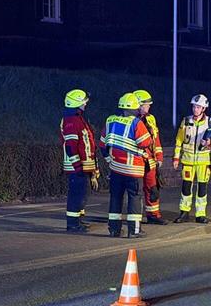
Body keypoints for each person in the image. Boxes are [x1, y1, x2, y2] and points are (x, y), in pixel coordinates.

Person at [99, 93, 152, 238]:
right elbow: (145, 142)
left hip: (116, 168)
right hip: (133, 170)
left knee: (115, 197)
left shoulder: (110, 120)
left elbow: (102, 144)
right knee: (134, 198)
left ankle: (114, 229)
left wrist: (109, 159)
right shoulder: (136, 123)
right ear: (135, 108)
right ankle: (134, 231)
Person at [172, 94, 211, 224]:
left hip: (204, 161)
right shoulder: (186, 120)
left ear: (204, 108)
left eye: (198, 107)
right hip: (187, 160)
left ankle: (200, 214)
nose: (195, 109)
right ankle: (184, 212)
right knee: (186, 187)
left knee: (202, 188)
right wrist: (176, 158)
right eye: (194, 106)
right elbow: (179, 140)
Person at [60, 89, 99, 233]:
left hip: (83, 165)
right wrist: (77, 166)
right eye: (84, 101)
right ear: (77, 103)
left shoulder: (78, 118)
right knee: (76, 195)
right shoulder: (71, 120)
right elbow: (71, 146)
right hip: (76, 166)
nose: (86, 103)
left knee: (82, 193)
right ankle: (73, 224)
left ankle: (79, 220)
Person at [134, 89, 167, 225]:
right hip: (135, 159)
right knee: (133, 190)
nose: (149, 107)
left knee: (152, 188)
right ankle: (133, 217)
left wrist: (159, 157)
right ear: (139, 105)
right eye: (147, 104)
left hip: (150, 160)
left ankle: (153, 215)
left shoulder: (150, 118)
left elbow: (156, 139)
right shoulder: (131, 120)